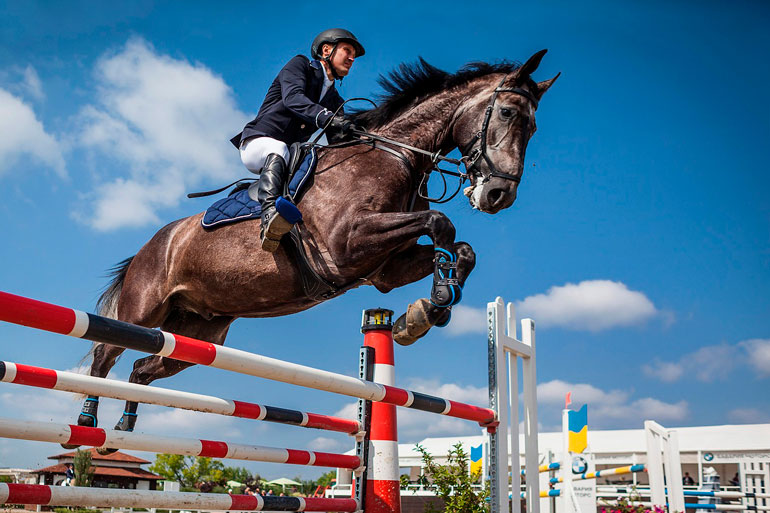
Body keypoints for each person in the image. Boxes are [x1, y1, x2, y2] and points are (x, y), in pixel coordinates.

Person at [230, 28, 365, 252]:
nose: (352, 58)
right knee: (279, 148)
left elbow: (338, 144)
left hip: (290, 155)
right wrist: (328, 118)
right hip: (257, 143)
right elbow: (293, 98)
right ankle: (270, 215)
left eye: (354, 55)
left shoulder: (335, 100)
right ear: (326, 50)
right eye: (347, 51)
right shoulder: (300, 65)